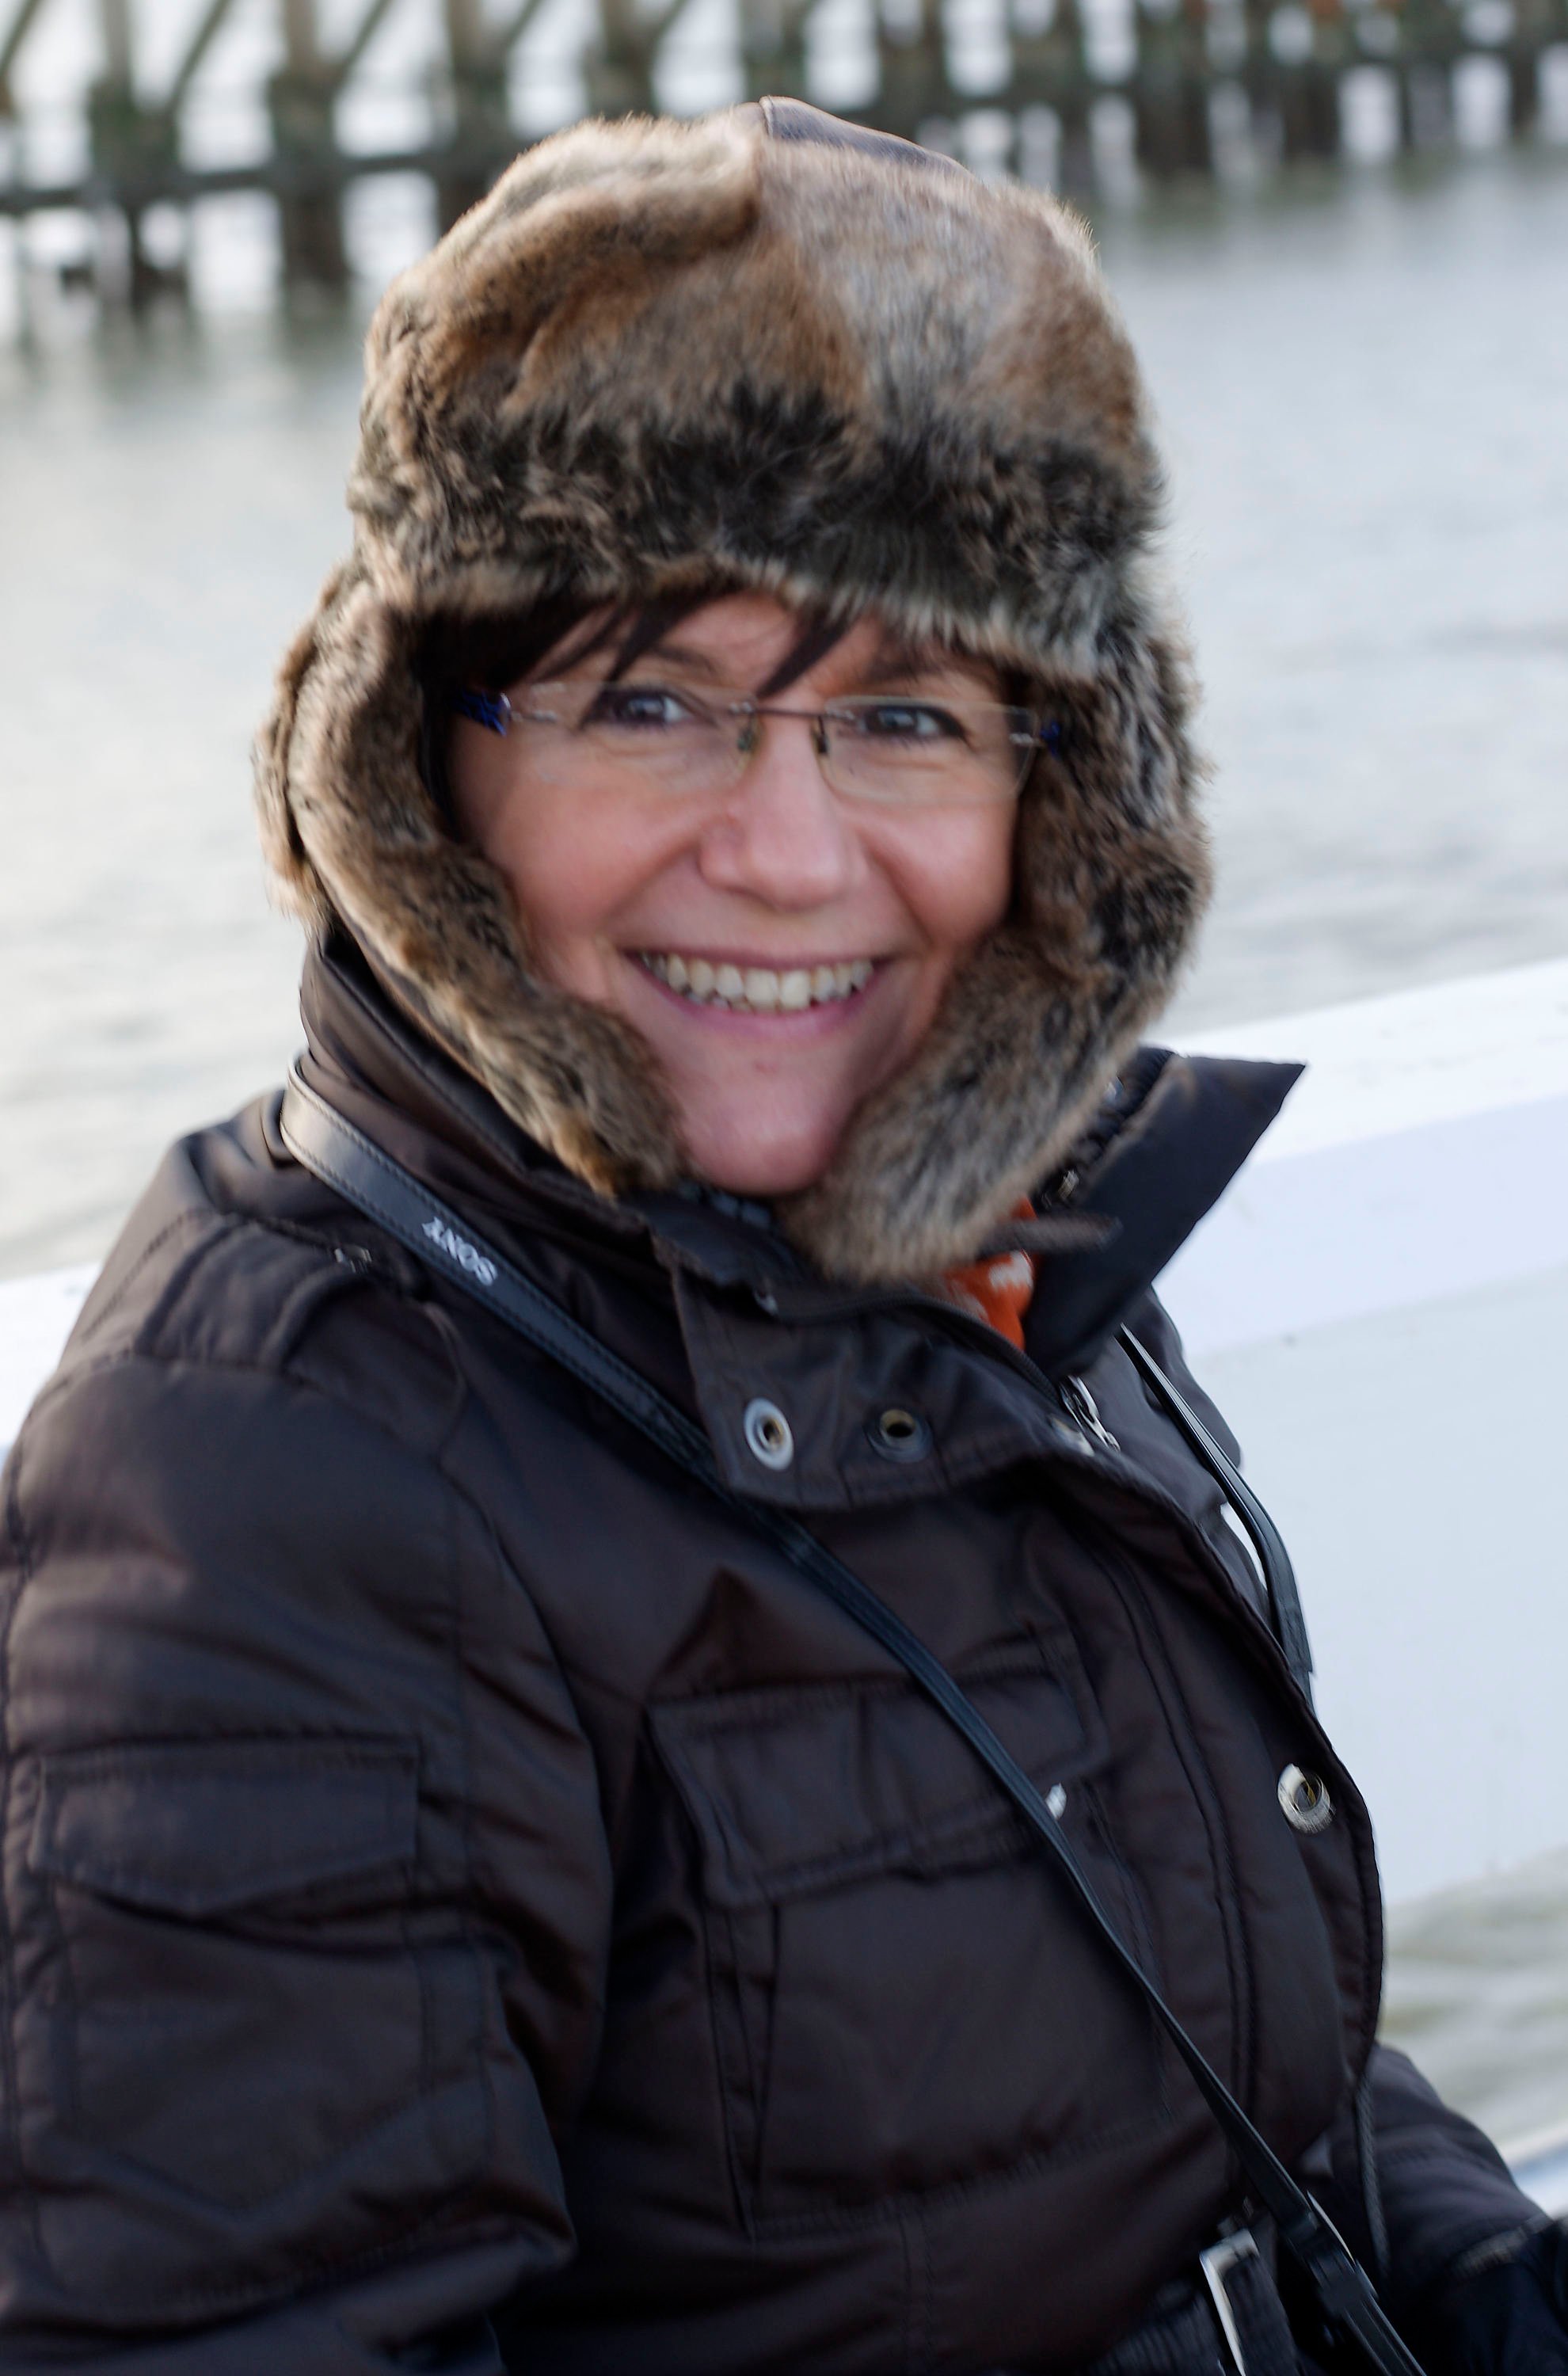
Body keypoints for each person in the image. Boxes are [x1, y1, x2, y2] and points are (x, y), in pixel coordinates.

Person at [0, 96, 1562, 2376]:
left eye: (905, 715)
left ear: (1055, 788)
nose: (790, 854)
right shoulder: (280, 1485)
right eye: (652, 702)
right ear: (430, 766)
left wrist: (1480, 2277)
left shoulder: (987, 1240)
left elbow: (1192, 2040)